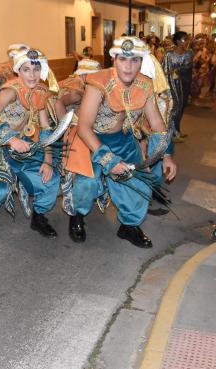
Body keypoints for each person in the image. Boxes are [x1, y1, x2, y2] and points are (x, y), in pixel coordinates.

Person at [70, 36, 177, 248]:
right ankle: (77, 215)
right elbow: (83, 126)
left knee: (140, 183)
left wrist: (167, 154)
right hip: (90, 140)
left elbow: (156, 122)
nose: (128, 67)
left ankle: (128, 226)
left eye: (135, 60)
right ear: (114, 60)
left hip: (124, 140)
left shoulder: (145, 84)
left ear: (141, 61)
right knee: (88, 183)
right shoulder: (98, 82)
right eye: (122, 60)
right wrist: (108, 159)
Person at [0, 48, 61, 238]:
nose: (32, 75)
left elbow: (45, 127)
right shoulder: (11, 91)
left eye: (36, 69)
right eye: (26, 69)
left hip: (24, 142)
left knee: (51, 178)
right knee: (0, 189)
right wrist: (11, 138)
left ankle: (38, 217)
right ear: (18, 71)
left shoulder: (41, 91)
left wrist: (48, 158)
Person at [54, 58, 102, 242]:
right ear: (80, 75)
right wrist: (66, 130)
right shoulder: (77, 91)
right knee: (83, 176)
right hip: (76, 134)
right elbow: (59, 104)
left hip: (94, 132)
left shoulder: (99, 89)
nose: (89, 77)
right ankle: (76, 215)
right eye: (86, 74)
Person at [162, 31, 193, 142]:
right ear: (178, 41)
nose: (187, 41)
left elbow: (188, 67)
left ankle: (177, 130)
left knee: (182, 108)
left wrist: (177, 70)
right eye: (184, 39)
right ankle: (172, 133)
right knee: (175, 108)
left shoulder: (188, 53)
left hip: (184, 84)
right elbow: (164, 70)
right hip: (171, 85)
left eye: (187, 39)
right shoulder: (168, 54)